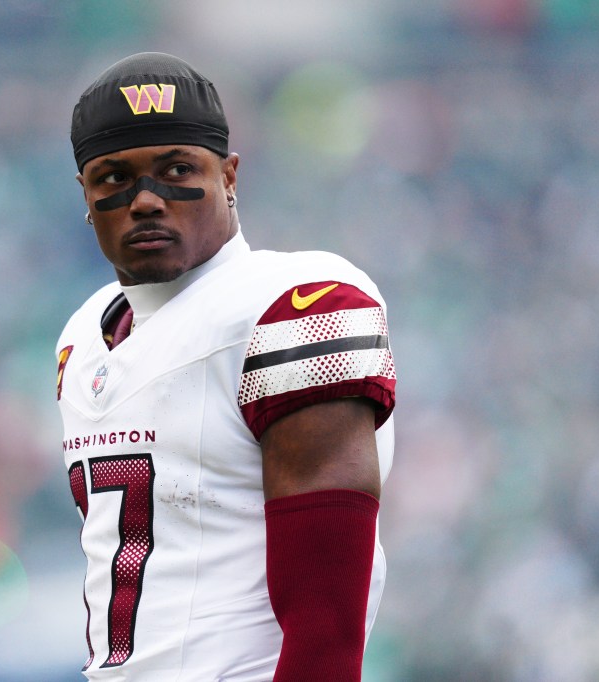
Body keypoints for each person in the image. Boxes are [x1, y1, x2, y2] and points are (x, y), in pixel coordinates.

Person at [55, 52, 396, 681]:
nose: (147, 200)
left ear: (230, 176)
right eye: (113, 177)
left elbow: (327, 616)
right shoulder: (82, 339)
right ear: (85, 194)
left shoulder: (295, 304)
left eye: (177, 169)